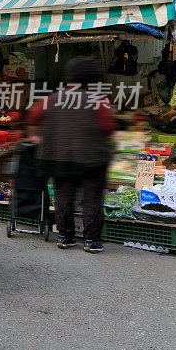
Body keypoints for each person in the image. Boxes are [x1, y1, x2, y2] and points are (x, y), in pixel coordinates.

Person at [28, 56, 115, 253]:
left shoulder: (52, 99)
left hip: (60, 157)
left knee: (63, 195)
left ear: (69, 77)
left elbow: (33, 116)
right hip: (92, 158)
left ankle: (65, 236)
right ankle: (91, 240)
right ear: (93, 79)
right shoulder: (97, 101)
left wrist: (36, 138)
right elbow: (108, 127)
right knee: (92, 198)